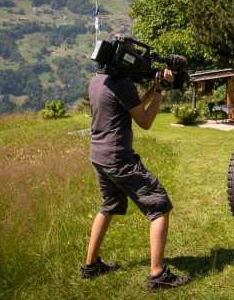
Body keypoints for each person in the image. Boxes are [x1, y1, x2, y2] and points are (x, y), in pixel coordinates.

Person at [82, 42, 190, 292]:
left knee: (108, 206)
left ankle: (91, 266)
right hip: (119, 159)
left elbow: (132, 106)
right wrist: (161, 93)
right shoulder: (123, 85)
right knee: (160, 206)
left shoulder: (98, 81)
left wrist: (153, 87)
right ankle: (158, 274)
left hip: (99, 156)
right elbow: (144, 121)